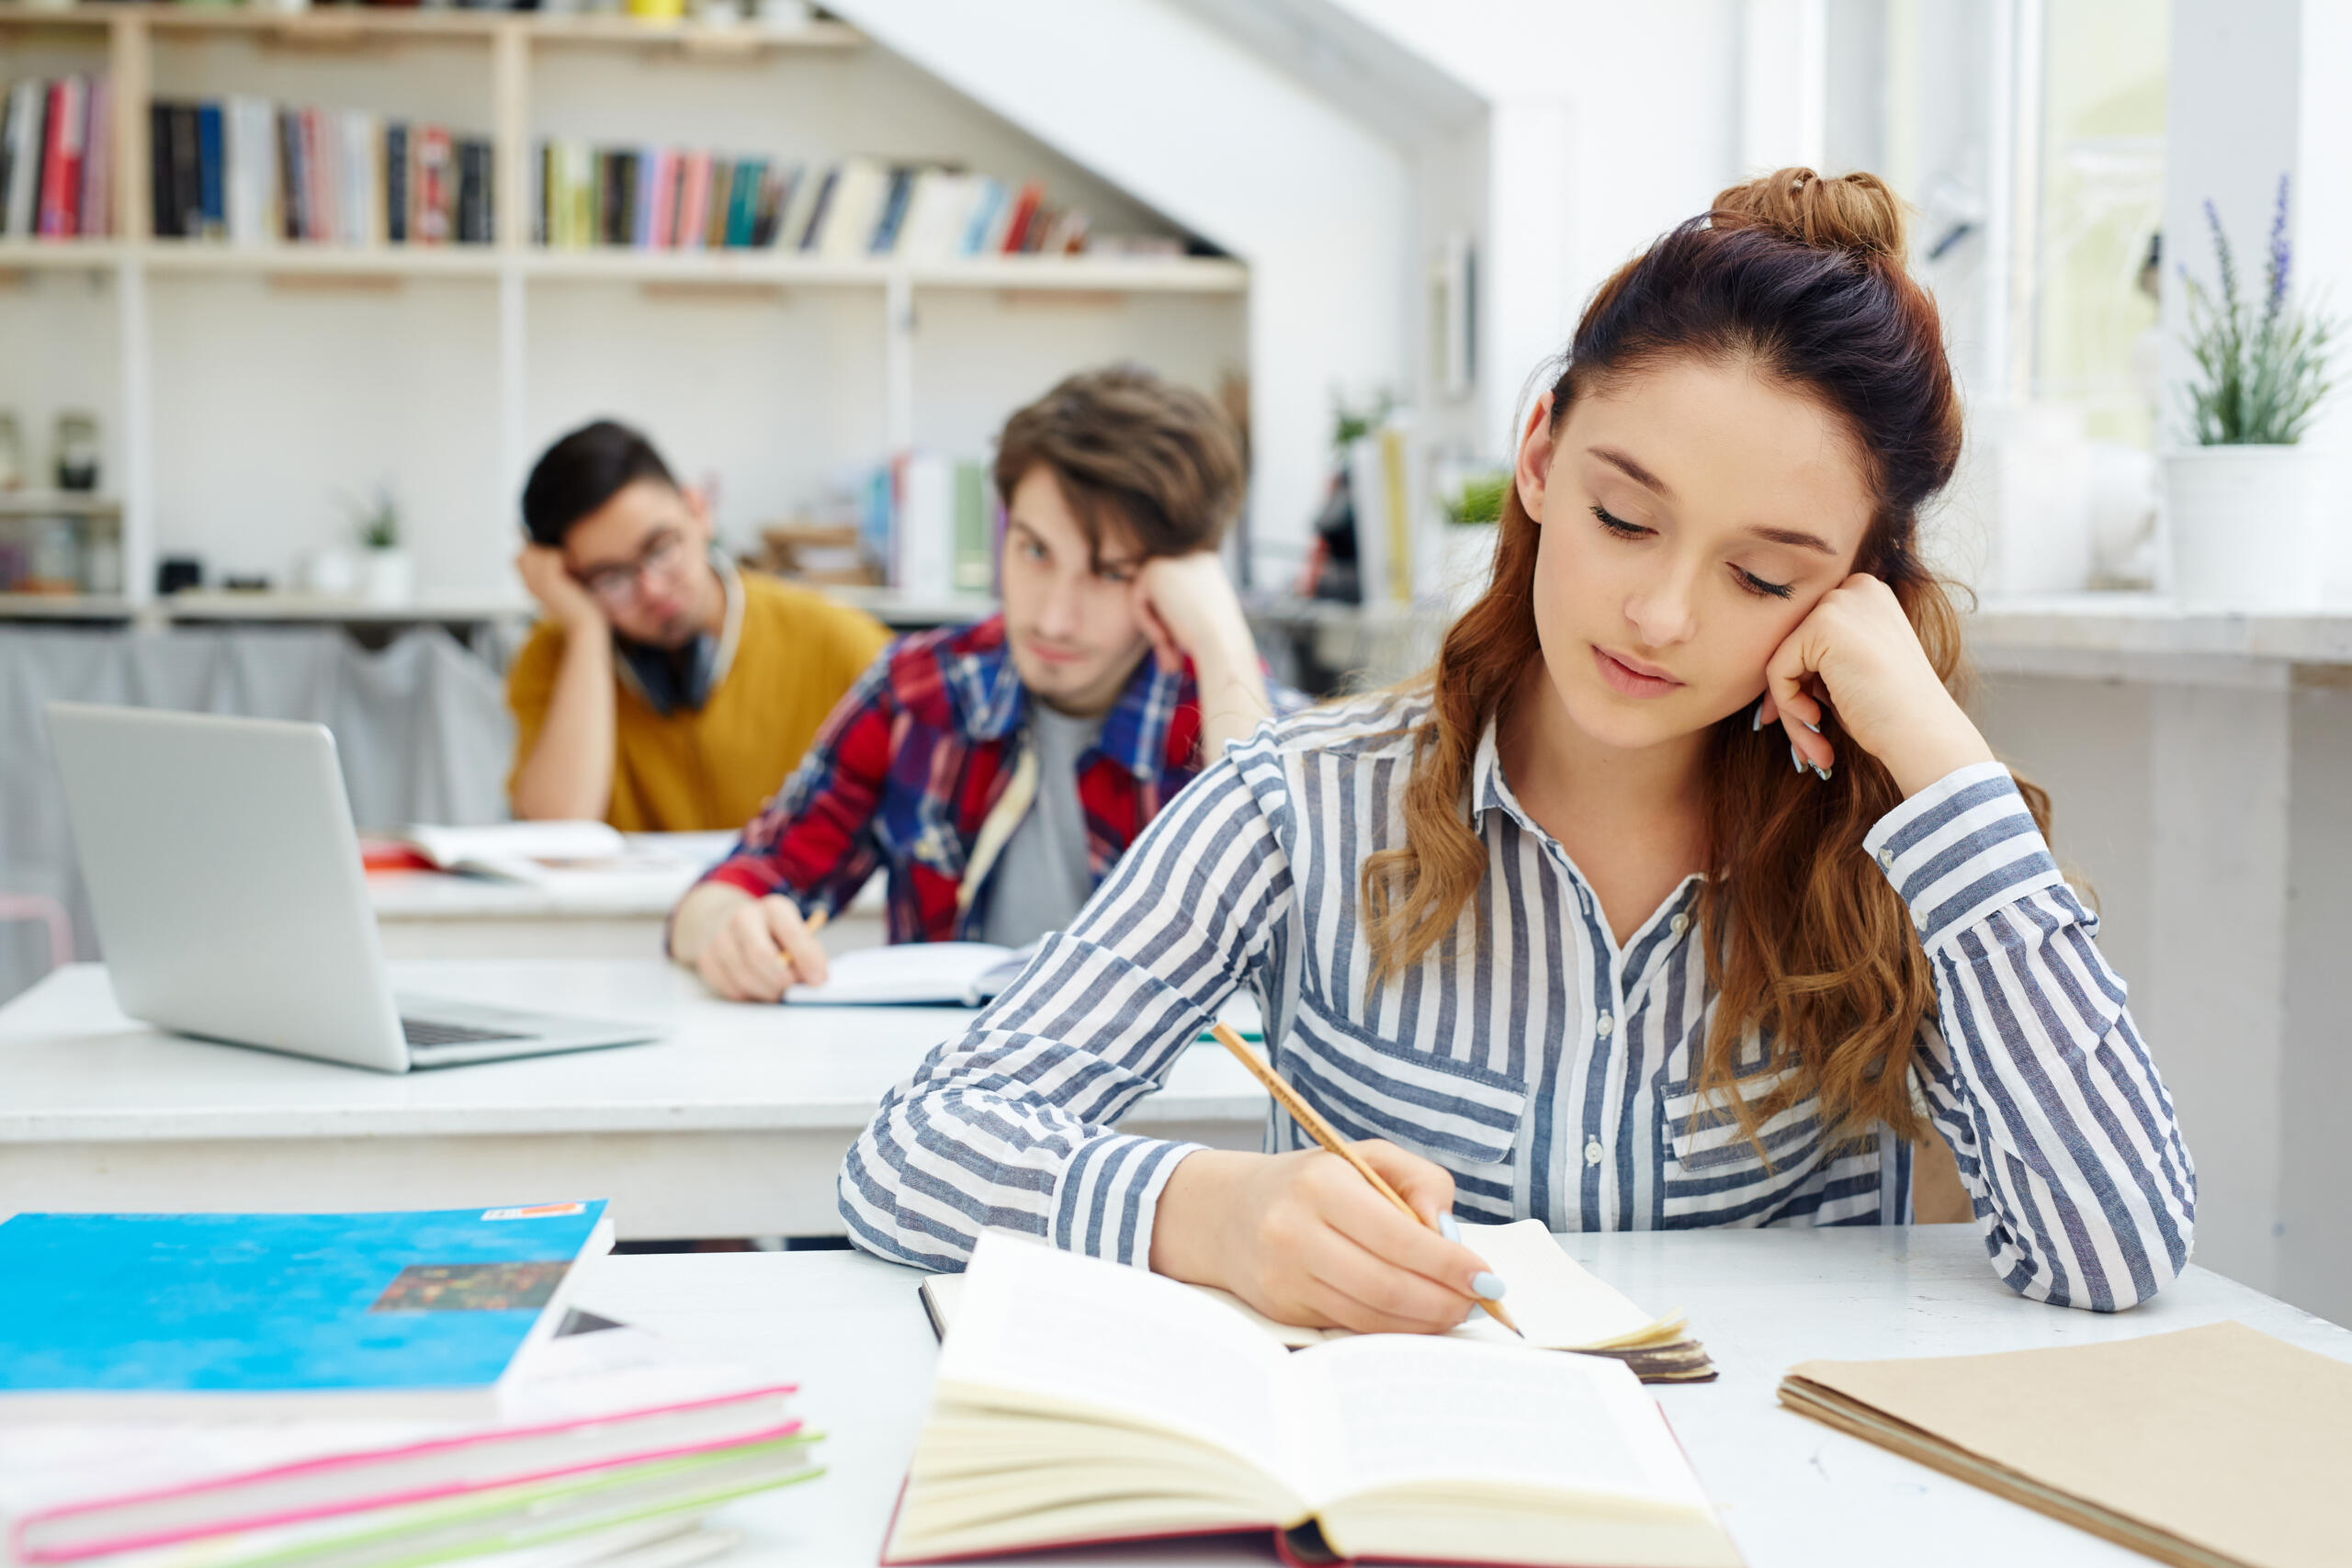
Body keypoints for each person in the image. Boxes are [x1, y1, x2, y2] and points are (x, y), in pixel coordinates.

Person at [838, 170, 2197, 1323]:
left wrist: (1938, 755)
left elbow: (2118, 1249)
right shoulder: (1296, 805)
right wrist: (1211, 1211)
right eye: (1624, 517)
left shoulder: (1890, 848)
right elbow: (910, 1153)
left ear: (1857, 595)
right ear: (1542, 457)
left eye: (1764, 578)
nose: (1661, 616)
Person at [670, 366, 1292, 1001]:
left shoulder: (1232, 701)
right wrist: (731, 929)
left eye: (1109, 572)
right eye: (1035, 551)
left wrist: (1220, 636)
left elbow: (1292, 944)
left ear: (1183, 575)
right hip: (945, 1093)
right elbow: (725, 889)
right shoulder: (921, 690)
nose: (1053, 616)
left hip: (1173, 1101)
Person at [505, 421, 891, 832]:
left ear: (698, 509)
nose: (651, 589)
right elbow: (556, 836)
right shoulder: (553, 658)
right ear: (570, 580)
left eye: (659, 548)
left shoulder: (840, 643)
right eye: (610, 578)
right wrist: (586, 631)